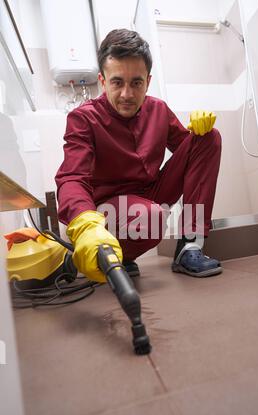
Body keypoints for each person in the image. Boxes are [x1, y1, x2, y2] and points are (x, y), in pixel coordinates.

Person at [55, 29, 222, 283]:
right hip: (112, 208)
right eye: (117, 82)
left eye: (136, 83)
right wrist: (85, 224)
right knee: (151, 217)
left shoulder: (159, 110)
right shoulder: (84, 119)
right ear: (102, 81)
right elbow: (72, 178)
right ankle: (116, 255)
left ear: (148, 81)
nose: (127, 94)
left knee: (209, 138)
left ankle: (190, 245)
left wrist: (199, 131)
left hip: (152, 194)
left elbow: (192, 154)